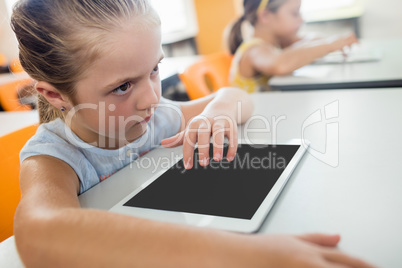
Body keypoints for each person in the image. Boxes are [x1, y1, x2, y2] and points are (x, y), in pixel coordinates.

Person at [11, 0, 374, 267]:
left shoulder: (156, 118)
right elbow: (39, 233)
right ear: (55, 95)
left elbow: (235, 96)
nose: (152, 97)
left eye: (154, 69)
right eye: (123, 86)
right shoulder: (54, 157)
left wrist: (217, 113)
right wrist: (246, 254)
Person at [227, 0, 359, 93]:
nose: (301, 19)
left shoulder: (279, 43)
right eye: (295, 13)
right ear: (266, 15)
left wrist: (333, 41)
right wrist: (329, 45)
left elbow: (311, 39)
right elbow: (280, 64)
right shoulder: (253, 49)